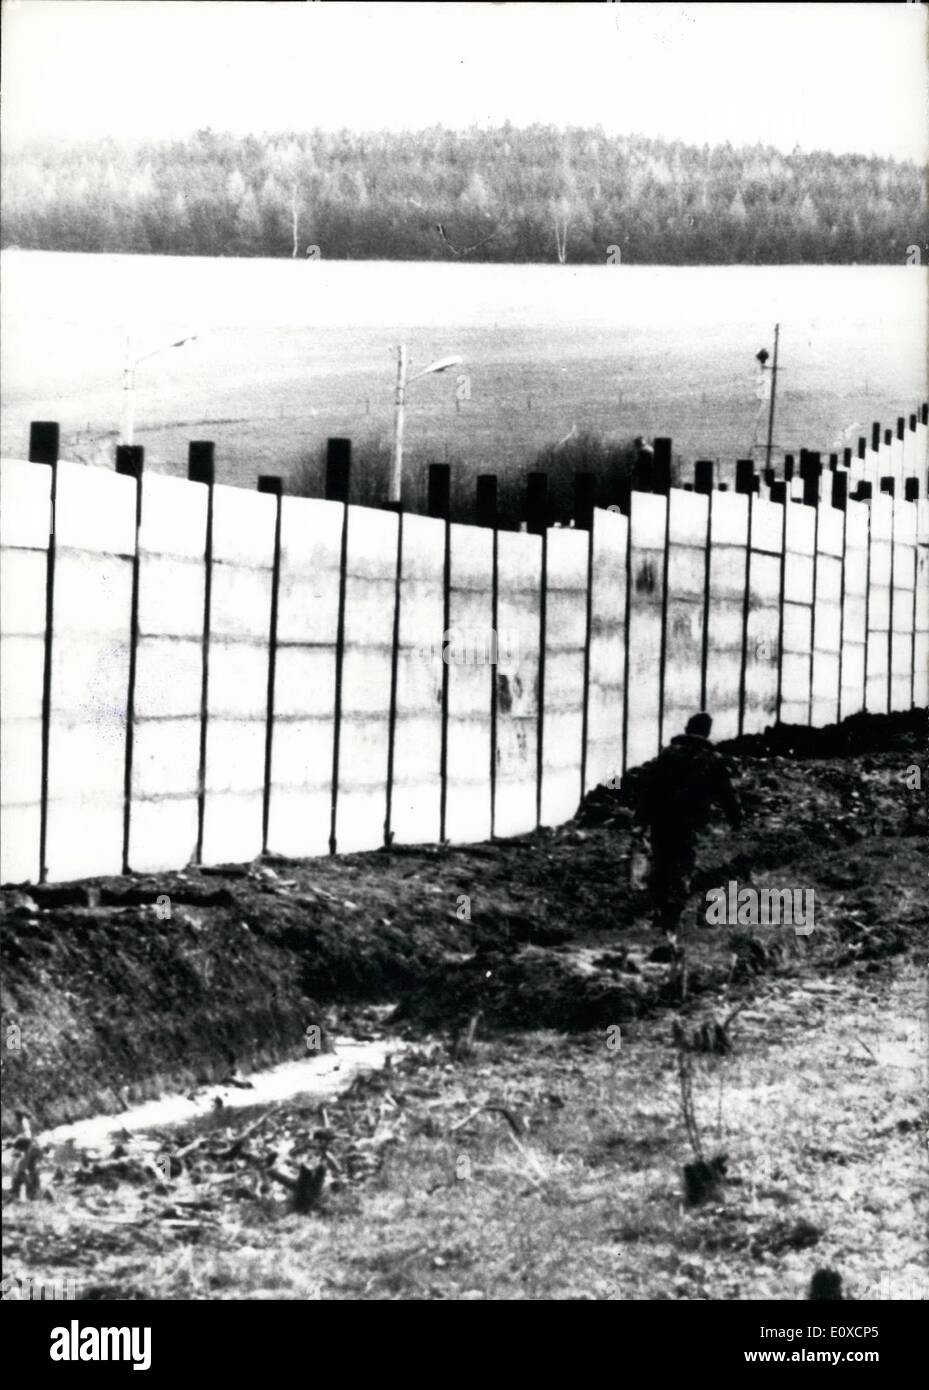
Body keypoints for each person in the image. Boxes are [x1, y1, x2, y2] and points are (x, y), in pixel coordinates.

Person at [633, 712, 741, 939]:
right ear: (707, 732)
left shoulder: (668, 754)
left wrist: (640, 820)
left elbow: (648, 789)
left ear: (686, 727)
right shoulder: (712, 759)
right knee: (682, 865)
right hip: (689, 823)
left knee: (662, 862)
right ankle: (673, 913)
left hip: (662, 820)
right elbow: (727, 794)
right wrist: (735, 820)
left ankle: (662, 911)